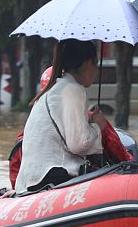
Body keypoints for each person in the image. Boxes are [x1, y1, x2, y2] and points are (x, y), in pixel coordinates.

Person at [15, 40, 119, 192]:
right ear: (88, 63)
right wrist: (98, 126)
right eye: (95, 65)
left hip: (28, 180)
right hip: (52, 176)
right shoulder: (72, 89)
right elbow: (79, 143)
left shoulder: (54, 89)